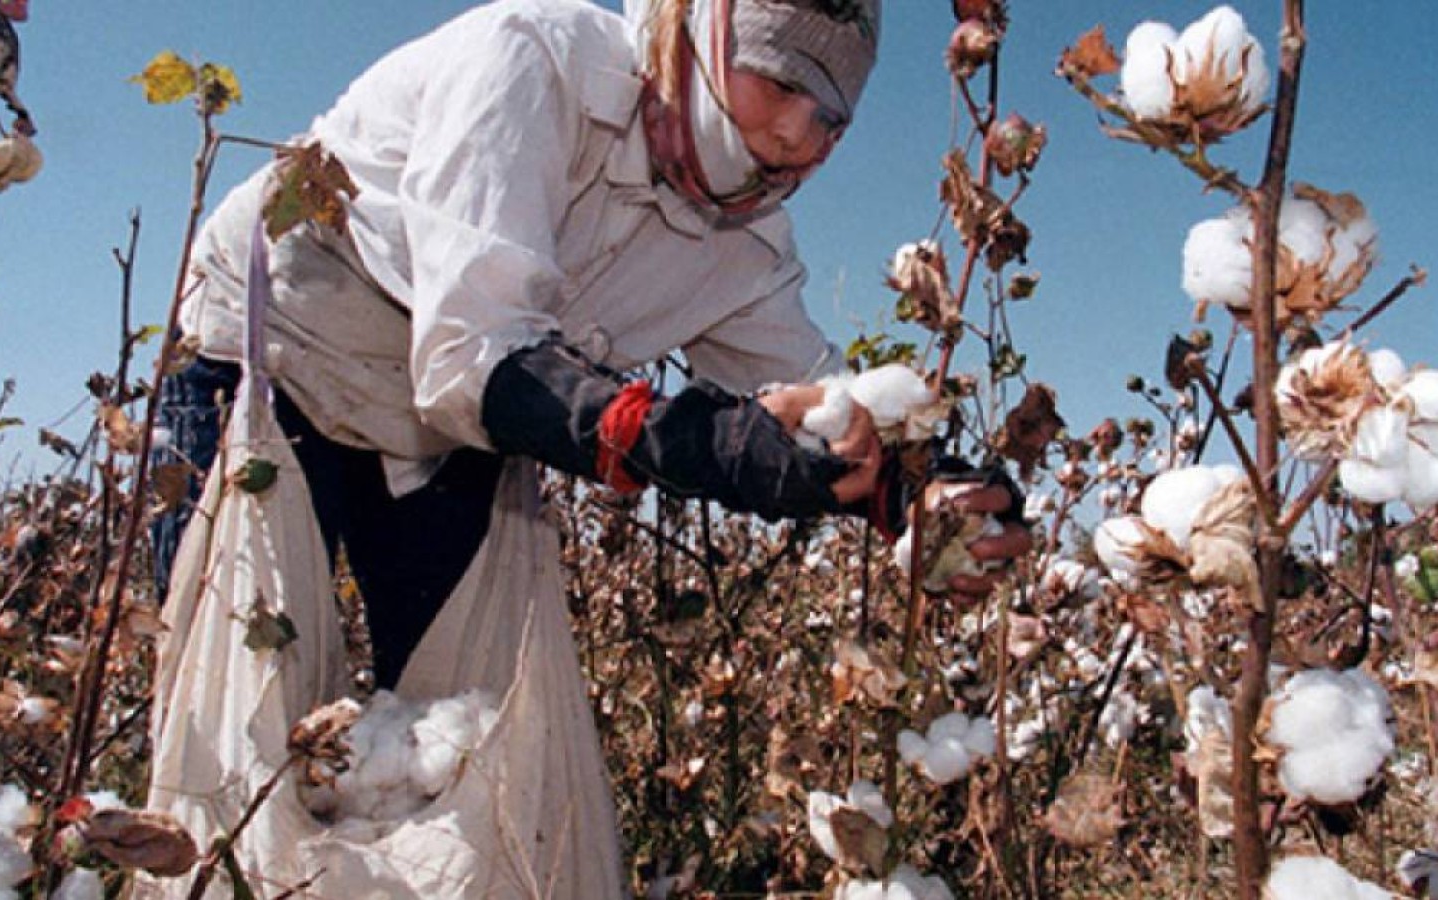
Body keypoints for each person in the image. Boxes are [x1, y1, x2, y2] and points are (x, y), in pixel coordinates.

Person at [156, 0, 1030, 692]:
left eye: (833, 113)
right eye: (777, 76)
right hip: (275, 356)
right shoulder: (531, 61)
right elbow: (474, 357)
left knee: (451, 729)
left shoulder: (751, 249)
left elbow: (822, 406)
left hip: (449, 427)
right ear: (699, 24)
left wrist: (923, 489)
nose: (801, 133)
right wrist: (710, 446)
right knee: (247, 696)